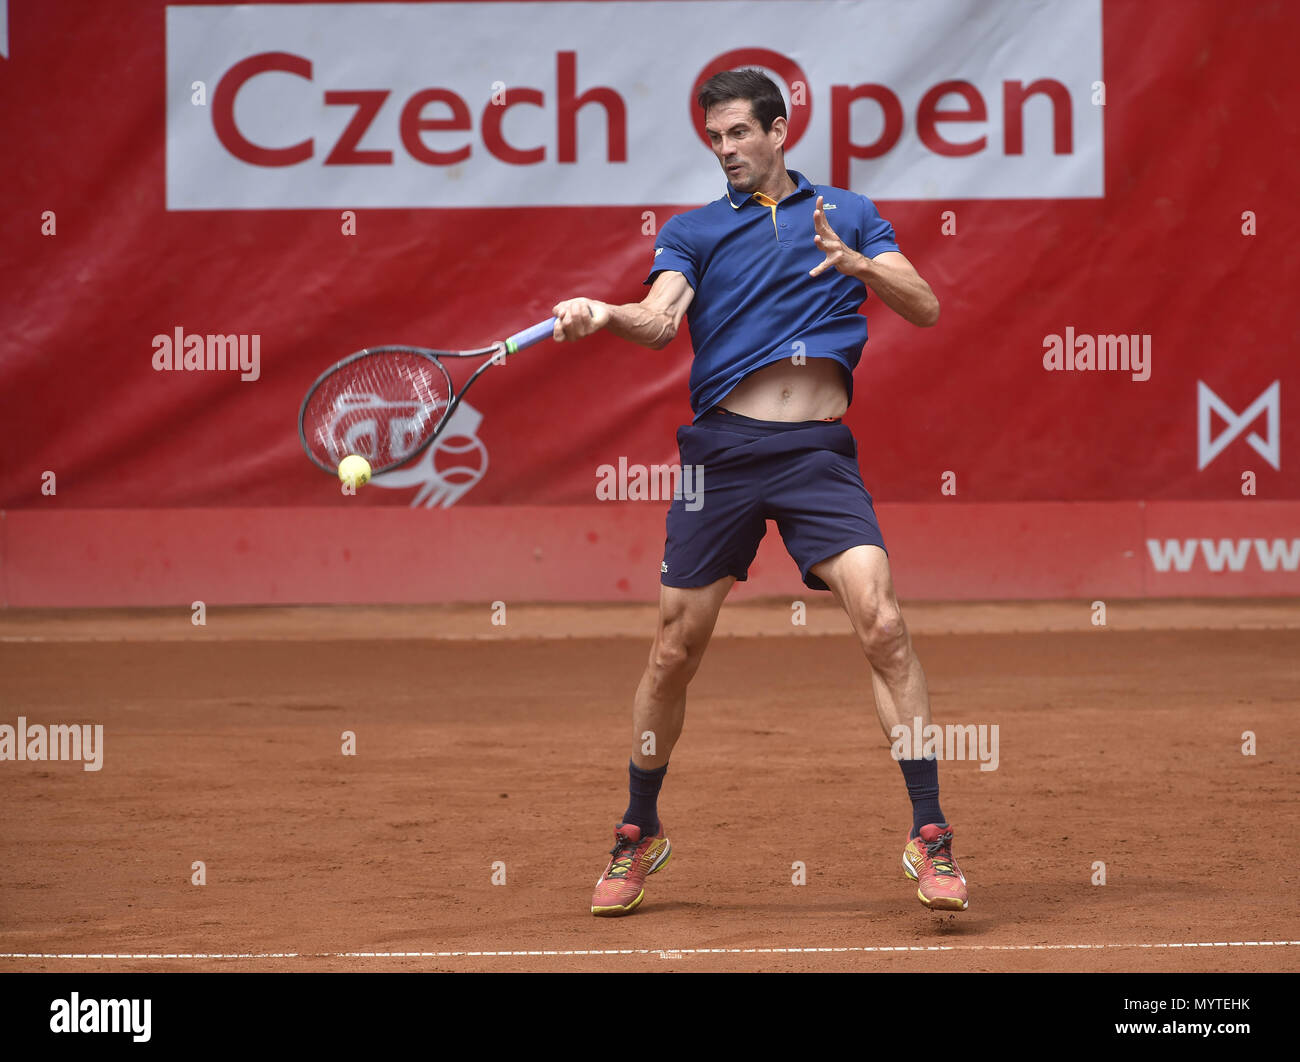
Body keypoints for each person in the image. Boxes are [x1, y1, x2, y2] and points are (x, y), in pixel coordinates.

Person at [551, 68, 968, 917]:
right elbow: (662, 318)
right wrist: (604, 311)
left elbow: (923, 306)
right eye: (715, 139)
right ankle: (638, 829)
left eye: (739, 134)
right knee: (675, 648)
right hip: (722, 453)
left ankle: (930, 834)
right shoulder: (695, 231)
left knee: (884, 622)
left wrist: (859, 265)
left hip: (818, 452)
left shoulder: (847, 213)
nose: (727, 151)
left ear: (779, 131)